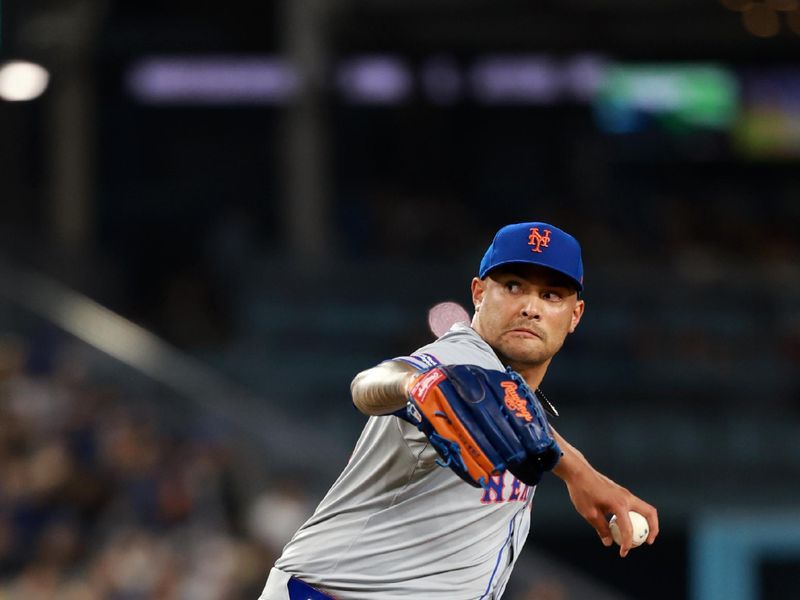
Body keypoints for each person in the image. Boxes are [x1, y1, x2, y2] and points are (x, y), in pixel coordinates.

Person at [259, 222, 659, 600]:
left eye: (551, 295)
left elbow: (515, 418)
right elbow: (369, 385)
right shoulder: (457, 358)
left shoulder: (506, 391)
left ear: (575, 315)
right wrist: (412, 385)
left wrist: (578, 472)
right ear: (479, 293)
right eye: (514, 286)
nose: (530, 308)